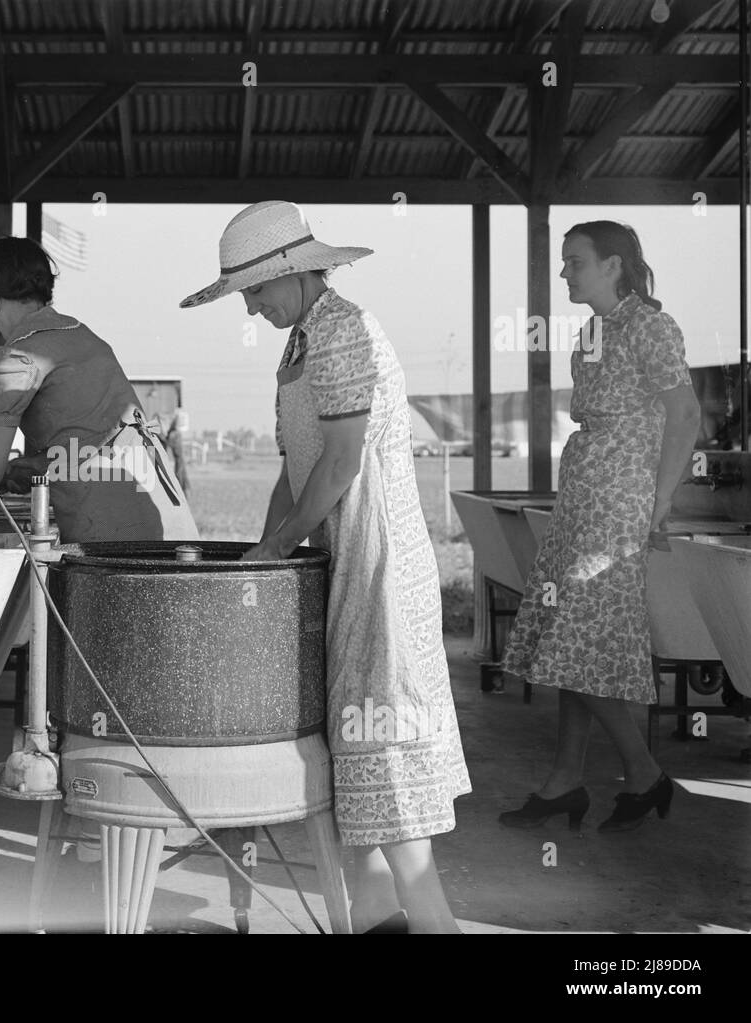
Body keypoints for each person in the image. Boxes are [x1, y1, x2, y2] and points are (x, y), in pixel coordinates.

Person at [182, 200, 470, 933]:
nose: (249, 303)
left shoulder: (345, 331)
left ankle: (434, 921)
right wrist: (266, 546)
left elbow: (341, 462)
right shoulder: (298, 344)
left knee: (394, 792)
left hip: (377, 570)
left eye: (254, 288)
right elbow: (295, 465)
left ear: (296, 272)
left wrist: (278, 548)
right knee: (355, 812)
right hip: (340, 565)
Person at [499, 222, 700, 834]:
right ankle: (566, 779)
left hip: (620, 502)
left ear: (614, 265)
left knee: (571, 637)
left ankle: (642, 773)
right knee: (578, 645)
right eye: (563, 262)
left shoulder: (650, 326)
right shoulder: (589, 332)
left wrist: (660, 498)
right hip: (583, 494)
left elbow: (685, 413)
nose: (564, 272)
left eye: (576, 262)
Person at [0, 237, 197, 544]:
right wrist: (32, 468)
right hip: (163, 509)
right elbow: (94, 437)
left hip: (113, 522)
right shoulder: (83, 336)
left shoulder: (21, 358)